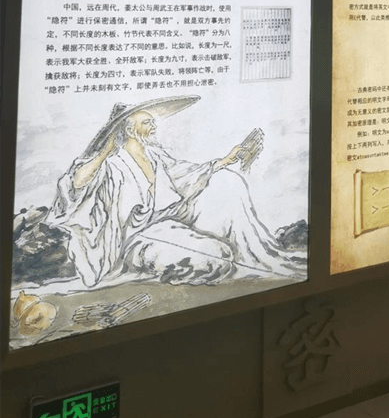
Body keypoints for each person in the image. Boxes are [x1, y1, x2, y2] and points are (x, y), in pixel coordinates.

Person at [51, 96, 304, 290]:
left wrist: (226, 160)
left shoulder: (155, 155)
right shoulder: (112, 163)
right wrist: (105, 151)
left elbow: (186, 174)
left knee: (226, 182)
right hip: (136, 239)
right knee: (214, 258)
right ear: (129, 130)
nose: (153, 126)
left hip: (167, 225)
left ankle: (248, 253)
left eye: (152, 121)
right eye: (146, 122)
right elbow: (76, 184)